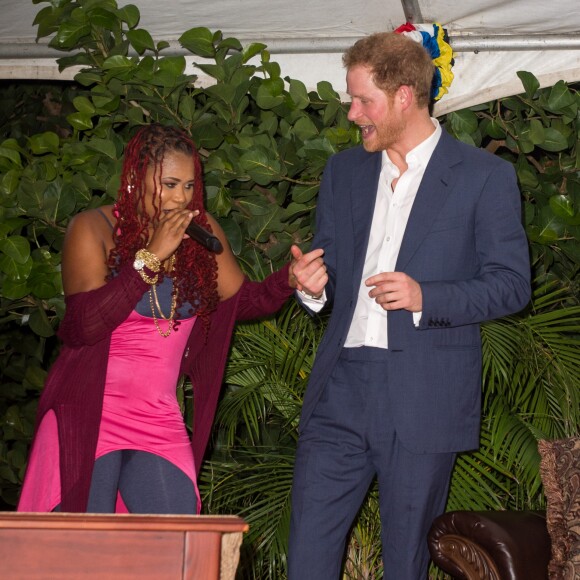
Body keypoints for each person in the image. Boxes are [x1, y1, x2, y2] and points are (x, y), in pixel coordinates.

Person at [287, 32, 531, 579]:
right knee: (306, 555)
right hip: (340, 390)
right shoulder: (343, 173)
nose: (352, 114)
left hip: (424, 395)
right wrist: (311, 286)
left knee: (405, 564)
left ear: (403, 96)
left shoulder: (484, 176)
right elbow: (327, 272)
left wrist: (426, 297)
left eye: (362, 101)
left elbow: (512, 285)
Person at [17, 123, 325, 514]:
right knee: (86, 549)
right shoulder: (92, 228)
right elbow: (83, 326)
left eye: (189, 186)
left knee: (175, 535)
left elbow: (240, 302)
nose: (181, 198)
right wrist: (149, 257)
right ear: (134, 179)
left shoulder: (203, 235)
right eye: (169, 184)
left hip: (156, 414)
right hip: (90, 409)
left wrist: (289, 281)